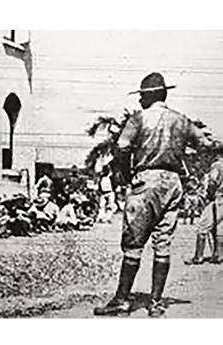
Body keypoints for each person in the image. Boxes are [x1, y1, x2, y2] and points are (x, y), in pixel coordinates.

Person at [94, 72, 213, 317]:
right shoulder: (182, 121)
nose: (139, 101)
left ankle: (121, 300)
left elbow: (122, 148)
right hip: (173, 183)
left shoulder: (138, 119)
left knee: (133, 244)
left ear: (150, 96)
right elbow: (205, 144)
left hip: (146, 181)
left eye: (142, 96)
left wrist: (123, 177)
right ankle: (156, 303)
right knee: (163, 244)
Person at [185, 143, 223, 265]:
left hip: (217, 199)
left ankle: (198, 257)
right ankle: (218, 255)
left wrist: (208, 195)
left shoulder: (217, 165)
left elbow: (212, 182)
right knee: (219, 228)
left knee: (202, 227)